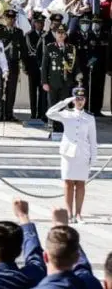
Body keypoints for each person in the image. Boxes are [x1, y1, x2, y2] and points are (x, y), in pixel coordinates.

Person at [48, 86, 96, 222]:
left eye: (82, 99)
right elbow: (50, 113)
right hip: (68, 154)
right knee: (68, 183)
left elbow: (93, 140)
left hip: (83, 154)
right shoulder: (67, 114)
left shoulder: (89, 118)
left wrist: (94, 157)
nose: (80, 101)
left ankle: (79, 213)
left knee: (80, 183)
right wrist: (65, 101)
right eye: (77, 99)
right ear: (74, 100)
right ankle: (69, 213)